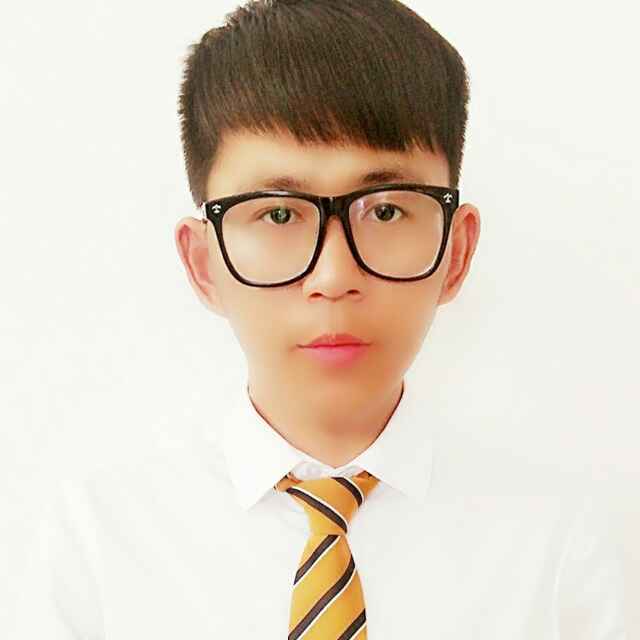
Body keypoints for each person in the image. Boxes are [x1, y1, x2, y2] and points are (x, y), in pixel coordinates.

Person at [9, 1, 627, 638]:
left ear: (457, 251)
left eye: (385, 211)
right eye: (278, 214)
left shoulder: (561, 550)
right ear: (202, 262)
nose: (333, 277)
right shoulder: (97, 550)